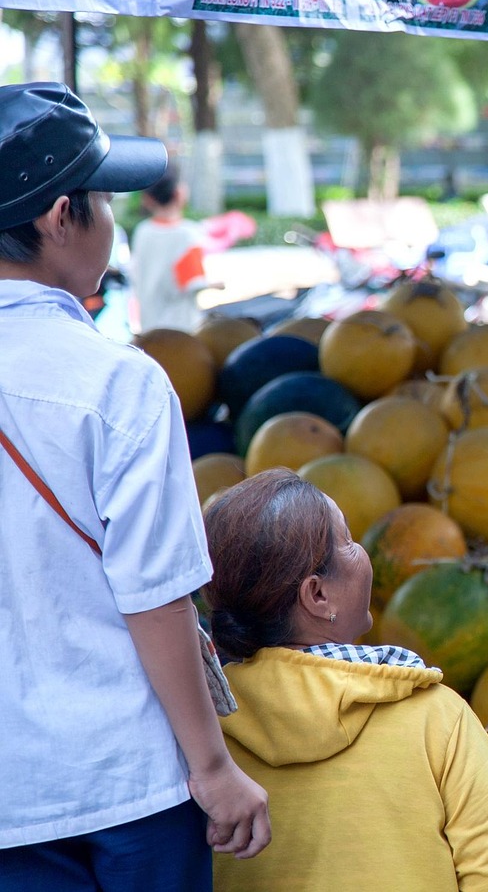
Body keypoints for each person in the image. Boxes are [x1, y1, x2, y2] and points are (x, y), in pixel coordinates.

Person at [0, 81, 270, 889]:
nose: (114, 219)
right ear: (59, 217)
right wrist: (214, 766)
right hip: (123, 789)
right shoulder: (120, 382)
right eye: (103, 197)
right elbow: (155, 594)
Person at [199, 469, 488, 892]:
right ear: (317, 595)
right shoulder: (435, 717)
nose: (362, 550)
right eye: (347, 541)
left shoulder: (200, 733)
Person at [130, 162, 211, 332]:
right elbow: (193, 282)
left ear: (148, 199)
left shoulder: (142, 231)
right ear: (179, 193)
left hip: (149, 327)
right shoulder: (189, 233)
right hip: (181, 330)